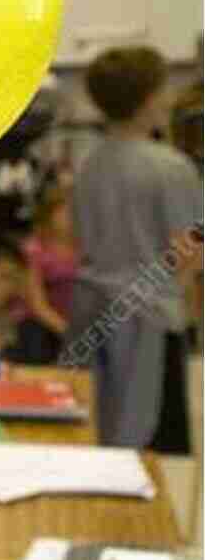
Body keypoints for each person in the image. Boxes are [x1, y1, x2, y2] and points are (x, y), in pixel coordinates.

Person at [67, 47, 204, 453]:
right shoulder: (170, 167)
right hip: (150, 316)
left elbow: (82, 240)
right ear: (148, 98)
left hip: (92, 312)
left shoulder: (88, 164)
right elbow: (189, 248)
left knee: (97, 431)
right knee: (149, 447)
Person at [11, 188, 79, 365]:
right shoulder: (34, 249)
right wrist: (66, 330)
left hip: (77, 321)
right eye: (67, 210)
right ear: (50, 214)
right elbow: (37, 305)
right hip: (39, 323)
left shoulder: (88, 247)